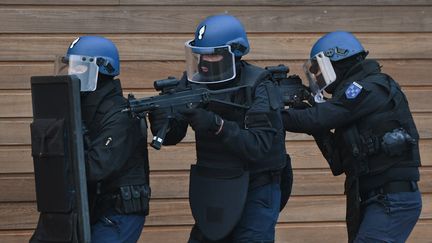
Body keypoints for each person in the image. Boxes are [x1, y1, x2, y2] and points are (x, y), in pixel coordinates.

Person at [149, 14, 289, 242]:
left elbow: (258, 146)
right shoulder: (193, 81)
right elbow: (173, 135)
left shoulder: (259, 85)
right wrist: (161, 114)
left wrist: (217, 125)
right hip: (214, 184)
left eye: (212, 55)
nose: (203, 64)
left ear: (235, 53)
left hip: (257, 186)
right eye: (200, 56)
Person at [282, 31, 422, 242]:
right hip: (373, 197)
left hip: (392, 199)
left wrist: (274, 115)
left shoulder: (369, 87)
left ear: (334, 62)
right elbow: (338, 162)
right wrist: (305, 111)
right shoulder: (352, 102)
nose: (318, 78)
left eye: (319, 70)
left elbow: (319, 118)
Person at [59, 36, 150, 242]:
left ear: (101, 70)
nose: (72, 73)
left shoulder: (121, 114)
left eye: (79, 67)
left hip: (118, 214)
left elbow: (95, 167)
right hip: (91, 209)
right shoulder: (82, 105)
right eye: (70, 66)